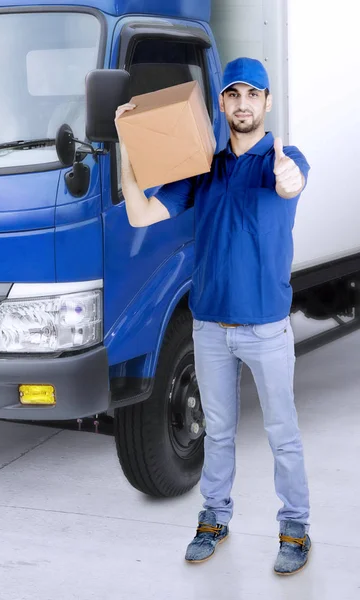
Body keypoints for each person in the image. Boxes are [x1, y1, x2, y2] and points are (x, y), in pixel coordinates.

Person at [115, 57, 311, 576]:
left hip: (267, 328)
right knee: (218, 433)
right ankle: (214, 518)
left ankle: (295, 529)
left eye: (253, 94)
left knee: (282, 433)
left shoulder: (284, 159)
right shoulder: (202, 167)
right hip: (210, 330)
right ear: (221, 103)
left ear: (267, 103)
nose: (243, 103)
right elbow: (140, 213)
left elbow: (291, 186)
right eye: (233, 94)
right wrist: (125, 146)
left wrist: (289, 175)